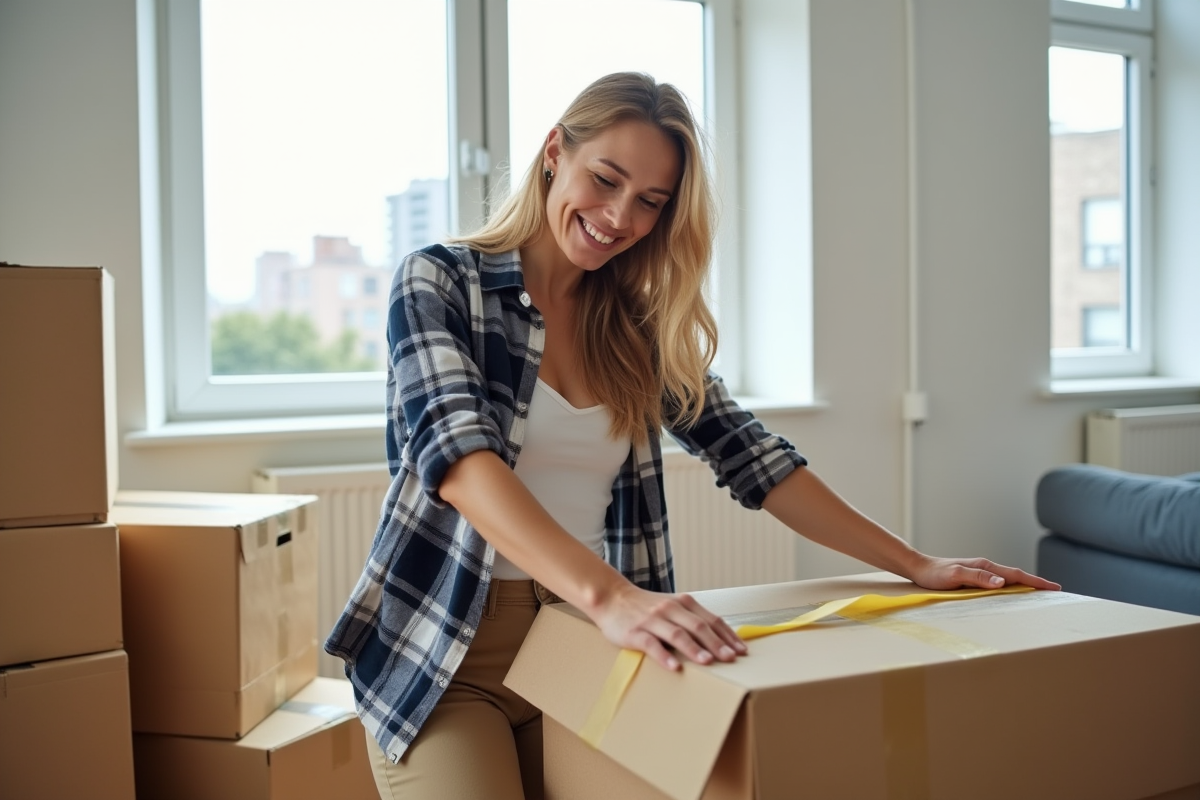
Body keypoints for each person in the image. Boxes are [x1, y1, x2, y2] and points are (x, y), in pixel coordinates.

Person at [325, 71, 1059, 800]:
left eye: (650, 201)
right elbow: (458, 459)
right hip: (448, 650)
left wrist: (916, 563)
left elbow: (756, 459)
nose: (619, 217)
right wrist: (612, 597)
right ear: (554, 152)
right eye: (605, 179)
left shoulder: (635, 327)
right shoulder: (439, 282)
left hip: (585, 643)